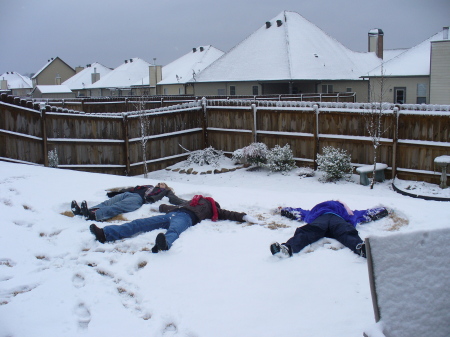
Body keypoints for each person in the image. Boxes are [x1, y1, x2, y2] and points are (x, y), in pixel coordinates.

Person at [89, 194, 260, 253]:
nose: (200, 199)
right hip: (173, 213)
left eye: (204, 200)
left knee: (175, 230)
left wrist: (244, 217)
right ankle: (106, 234)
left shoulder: (212, 208)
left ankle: (164, 244)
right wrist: (159, 207)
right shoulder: (191, 202)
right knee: (140, 223)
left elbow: (230, 214)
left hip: (186, 218)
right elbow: (172, 206)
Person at [270, 200, 389, 258]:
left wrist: (382, 211)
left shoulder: (348, 213)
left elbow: (366, 214)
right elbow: (365, 214)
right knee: (308, 231)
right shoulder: (348, 212)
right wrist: (283, 210)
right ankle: (286, 249)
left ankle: (362, 248)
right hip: (325, 219)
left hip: (332, 220)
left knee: (345, 232)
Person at [72, 182, 185, 221]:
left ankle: (94, 215)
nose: (161, 184)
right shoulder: (149, 186)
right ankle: (84, 211)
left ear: (166, 186)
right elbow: (130, 188)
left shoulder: (165, 191)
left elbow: (175, 199)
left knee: (117, 206)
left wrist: (189, 202)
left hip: (138, 199)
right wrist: (114, 192)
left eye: (163, 184)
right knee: (107, 203)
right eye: (160, 183)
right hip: (129, 194)